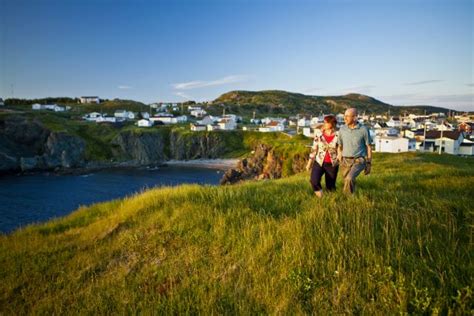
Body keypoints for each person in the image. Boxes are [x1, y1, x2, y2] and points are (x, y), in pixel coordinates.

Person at [336, 108, 372, 194]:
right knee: (347, 180)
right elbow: (340, 145)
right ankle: (353, 195)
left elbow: (369, 147)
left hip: (359, 160)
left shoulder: (364, 129)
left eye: (347, 116)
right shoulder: (342, 129)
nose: (345, 118)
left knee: (349, 178)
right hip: (345, 160)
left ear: (355, 117)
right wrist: (339, 154)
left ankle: (346, 199)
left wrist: (369, 163)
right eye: (345, 116)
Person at [306, 115, 339, 198]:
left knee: (330, 186)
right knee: (314, 181)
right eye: (324, 122)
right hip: (319, 162)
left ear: (332, 123)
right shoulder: (319, 134)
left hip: (332, 164)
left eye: (326, 122)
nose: (324, 124)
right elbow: (314, 149)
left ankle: (332, 200)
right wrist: (309, 163)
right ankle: (321, 198)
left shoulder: (339, 135)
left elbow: (340, 149)